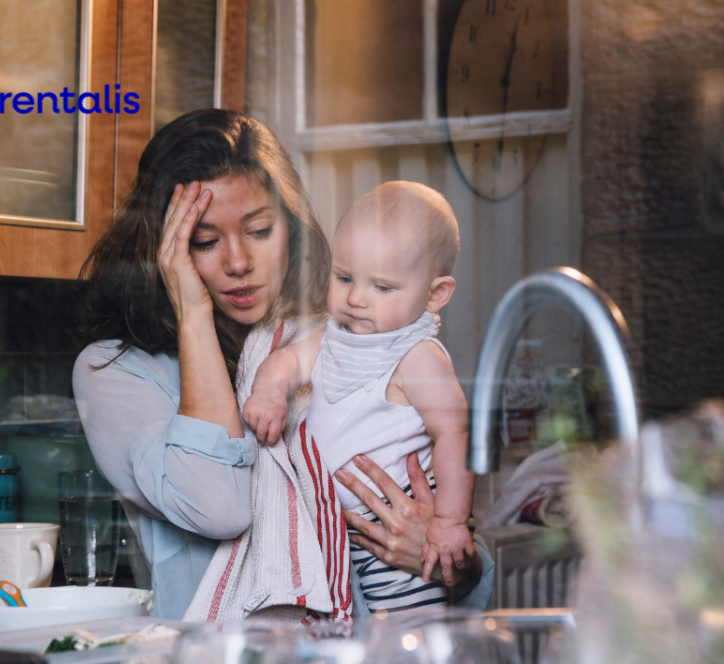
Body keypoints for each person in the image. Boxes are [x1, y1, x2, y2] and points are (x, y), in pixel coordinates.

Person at [71, 109, 492, 623]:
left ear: (290, 231)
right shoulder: (117, 372)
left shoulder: (343, 341)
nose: (238, 262)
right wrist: (193, 312)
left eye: (260, 230)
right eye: (203, 242)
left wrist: (448, 558)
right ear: (164, 249)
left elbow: (466, 566)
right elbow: (219, 506)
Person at [243, 182, 475, 614]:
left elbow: (456, 433)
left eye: (383, 288)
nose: (355, 298)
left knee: (409, 633)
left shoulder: (417, 356)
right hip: (342, 532)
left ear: (435, 294)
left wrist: (448, 522)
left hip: (397, 525)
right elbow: (289, 362)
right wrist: (270, 390)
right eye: (344, 278)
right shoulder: (335, 338)